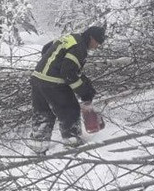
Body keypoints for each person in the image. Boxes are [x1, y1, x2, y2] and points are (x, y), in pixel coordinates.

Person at [28, 25, 106, 153]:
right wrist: (84, 93)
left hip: (37, 79)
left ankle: (38, 147)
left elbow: (47, 48)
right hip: (53, 83)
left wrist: (51, 65)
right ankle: (72, 144)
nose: (97, 46)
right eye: (97, 42)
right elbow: (69, 73)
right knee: (70, 110)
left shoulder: (71, 38)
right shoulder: (80, 47)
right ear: (91, 37)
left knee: (43, 113)